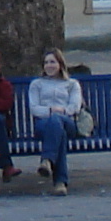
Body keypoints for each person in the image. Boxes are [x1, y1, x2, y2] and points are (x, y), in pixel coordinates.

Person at [29, 49, 84, 193]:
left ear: (60, 64)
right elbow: (34, 108)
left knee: (57, 122)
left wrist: (61, 111)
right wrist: (50, 111)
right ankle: (60, 183)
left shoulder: (72, 84)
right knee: (59, 133)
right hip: (43, 124)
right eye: (46, 63)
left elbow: (75, 107)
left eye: (52, 62)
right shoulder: (36, 84)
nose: (49, 66)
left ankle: (47, 159)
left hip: (68, 121)